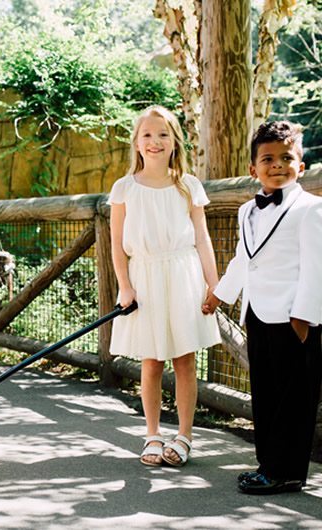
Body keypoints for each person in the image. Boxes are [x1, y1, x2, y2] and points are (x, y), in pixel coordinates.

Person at [204, 121, 322, 495]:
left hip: (293, 317)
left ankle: (288, 472)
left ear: (300, 165)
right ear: (253, 169)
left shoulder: (311, 210)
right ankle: (268, 464)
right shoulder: (246, 212)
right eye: (267, 159)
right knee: (267, 393)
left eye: (286, 158)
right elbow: (243, 259)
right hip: (257, 313)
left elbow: (316, 267)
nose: (277, 165)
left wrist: (302, 318)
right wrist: (219, 295)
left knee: (295, 398)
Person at [108, 106, 221, 467]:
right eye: (147, 135)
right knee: (152, 361)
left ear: (175, 142)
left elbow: (202, 238)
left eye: (163, 135)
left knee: (185, 358)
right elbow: (115, 245)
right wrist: (125, 286)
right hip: (145, 277)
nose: (155, 142)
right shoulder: (124, 188)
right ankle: (153, 434)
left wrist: (213, 282)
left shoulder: (188, 185)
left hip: (183, 274)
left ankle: (185, 434)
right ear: (137, 144)